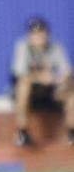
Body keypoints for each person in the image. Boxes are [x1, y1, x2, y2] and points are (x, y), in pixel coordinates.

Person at [11, 16, 74, 147]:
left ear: (47, 33)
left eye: (41, 32)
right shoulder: (22, 47)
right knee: (23, 87)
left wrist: (59, 78)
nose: (39, 36)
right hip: (32, 95)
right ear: (29, 35)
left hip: (51, 93)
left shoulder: (55, 46)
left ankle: (71, 132)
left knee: (71, 89)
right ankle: (22, 133)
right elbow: (20, 74)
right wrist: (41, 78)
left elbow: (67, 70)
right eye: (35, 33)